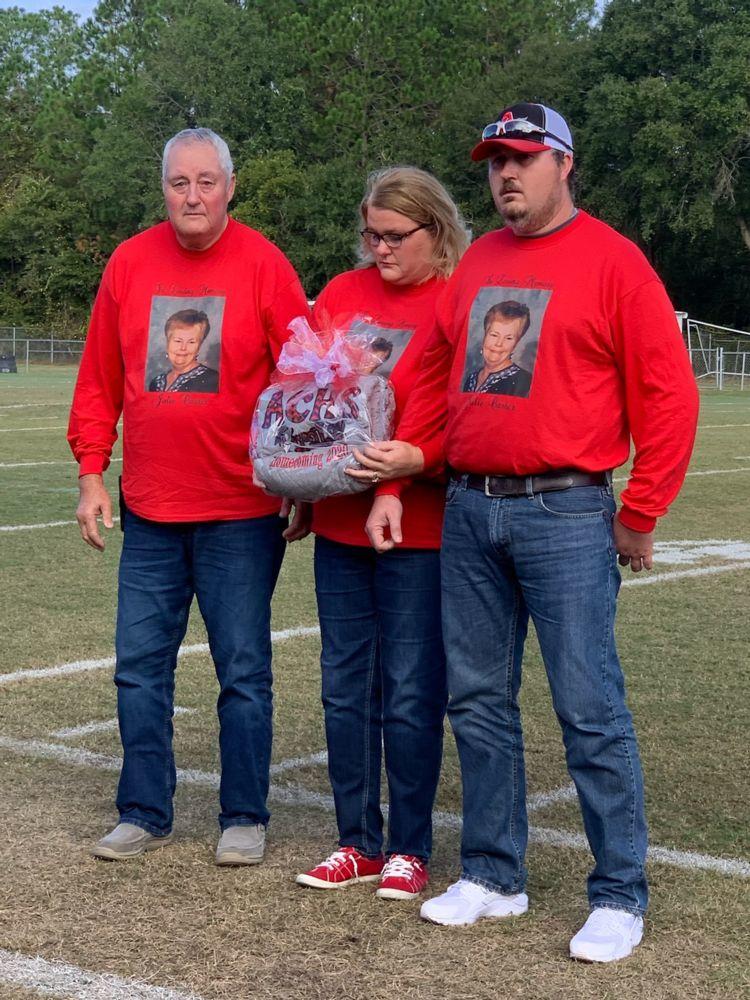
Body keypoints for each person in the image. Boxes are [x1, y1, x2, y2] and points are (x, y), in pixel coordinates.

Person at [365, 104, 698, 959]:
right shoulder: (477, 260)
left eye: (521, 159)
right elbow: (438, 381)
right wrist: (405, 469)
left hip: (567, 510)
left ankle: (620, 892)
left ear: (563, 164)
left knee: (589, 706)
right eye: (493, 162)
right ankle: (492, 873)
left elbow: (668, 393)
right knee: (477, 701)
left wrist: (642, 510)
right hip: (470, 508)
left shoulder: (615, 261)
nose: (504, 175)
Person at [68, 127, 310, 865]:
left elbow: (303, 380)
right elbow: (100, 375)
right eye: (180, 183)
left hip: (240, 511)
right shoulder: (130, 261)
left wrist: (302, 478)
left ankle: (244, 814)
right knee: (140, 666)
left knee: (242, 670)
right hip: (149, 509)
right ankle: (143, 809)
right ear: (163, 188)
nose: (193, 196)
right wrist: (90, 471)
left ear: (230, 187)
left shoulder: (266, 264)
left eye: (207, 182)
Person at [295, 166, 469, 900]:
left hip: (419, 532)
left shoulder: (458, 301)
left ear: (436, 230)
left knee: (408, 691)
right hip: (339, 524)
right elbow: (309, 399)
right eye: (371, 234)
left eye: (396, 237)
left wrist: (396, 484)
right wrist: (300, 482)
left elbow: (445, 415)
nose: (380, 249)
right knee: (344, 687)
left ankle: (409, 848)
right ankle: (356, 840)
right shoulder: (341, 294)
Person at [463, 300, 532, 396]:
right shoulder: (471, 378)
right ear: (485, 335)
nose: (499, 343)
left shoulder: (525, 381)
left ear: (516, 343)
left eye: (508, 338)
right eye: (494, 335)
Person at [148, 308, 219, 392]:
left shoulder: (213, 381)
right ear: (167, 343)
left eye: (191, 342)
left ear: (199, 347)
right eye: (178, 341)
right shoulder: (155, 383)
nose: (183, 348)